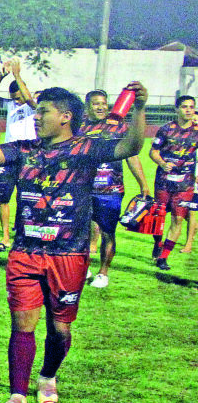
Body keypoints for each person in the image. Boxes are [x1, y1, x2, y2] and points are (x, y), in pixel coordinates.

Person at [0, 81, 146, 403]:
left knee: (60, 329)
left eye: (43, 112)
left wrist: (138, 108)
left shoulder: (86, 148)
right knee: (22, 324)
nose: (36, 117)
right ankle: (17, 395)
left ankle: (48, 375)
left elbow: (131, 144)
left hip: (69, 254)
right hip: (25, 251)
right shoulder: (25, 149)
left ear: (65, 117)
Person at [80, 90, 150, 287]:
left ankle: (103, 273)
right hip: (83, 188)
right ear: (87, 106)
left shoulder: (118, 126)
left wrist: (143, 183)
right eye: (95, 103)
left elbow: (132, 155)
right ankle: (83, 266)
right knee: (80, 229)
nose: (101, 107)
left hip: (111, 190)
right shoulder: (79, 126)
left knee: (107, 232)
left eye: (104, 103)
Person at [0, 60, 36, 252]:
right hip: (9, 155)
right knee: (3, 197)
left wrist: (17, 76)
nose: (16, 100)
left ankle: (23, 237)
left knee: (28, 199)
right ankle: (5, 237)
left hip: (29, 156)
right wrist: (1, 76)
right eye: (13, 97)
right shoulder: (9, 105)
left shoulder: (34, 106)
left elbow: (30, 99)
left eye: (18, 97)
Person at [149, 94, 198, 270]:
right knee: (159, 219)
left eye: (191, 107)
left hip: (185, 184)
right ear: (177, 109)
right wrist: (163, 163)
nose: (188, 110)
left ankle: (163, 257)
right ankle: (158, 243)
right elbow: (153, 152)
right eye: (185, 107)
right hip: (163, 182)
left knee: (178, 219)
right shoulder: (166, 129)